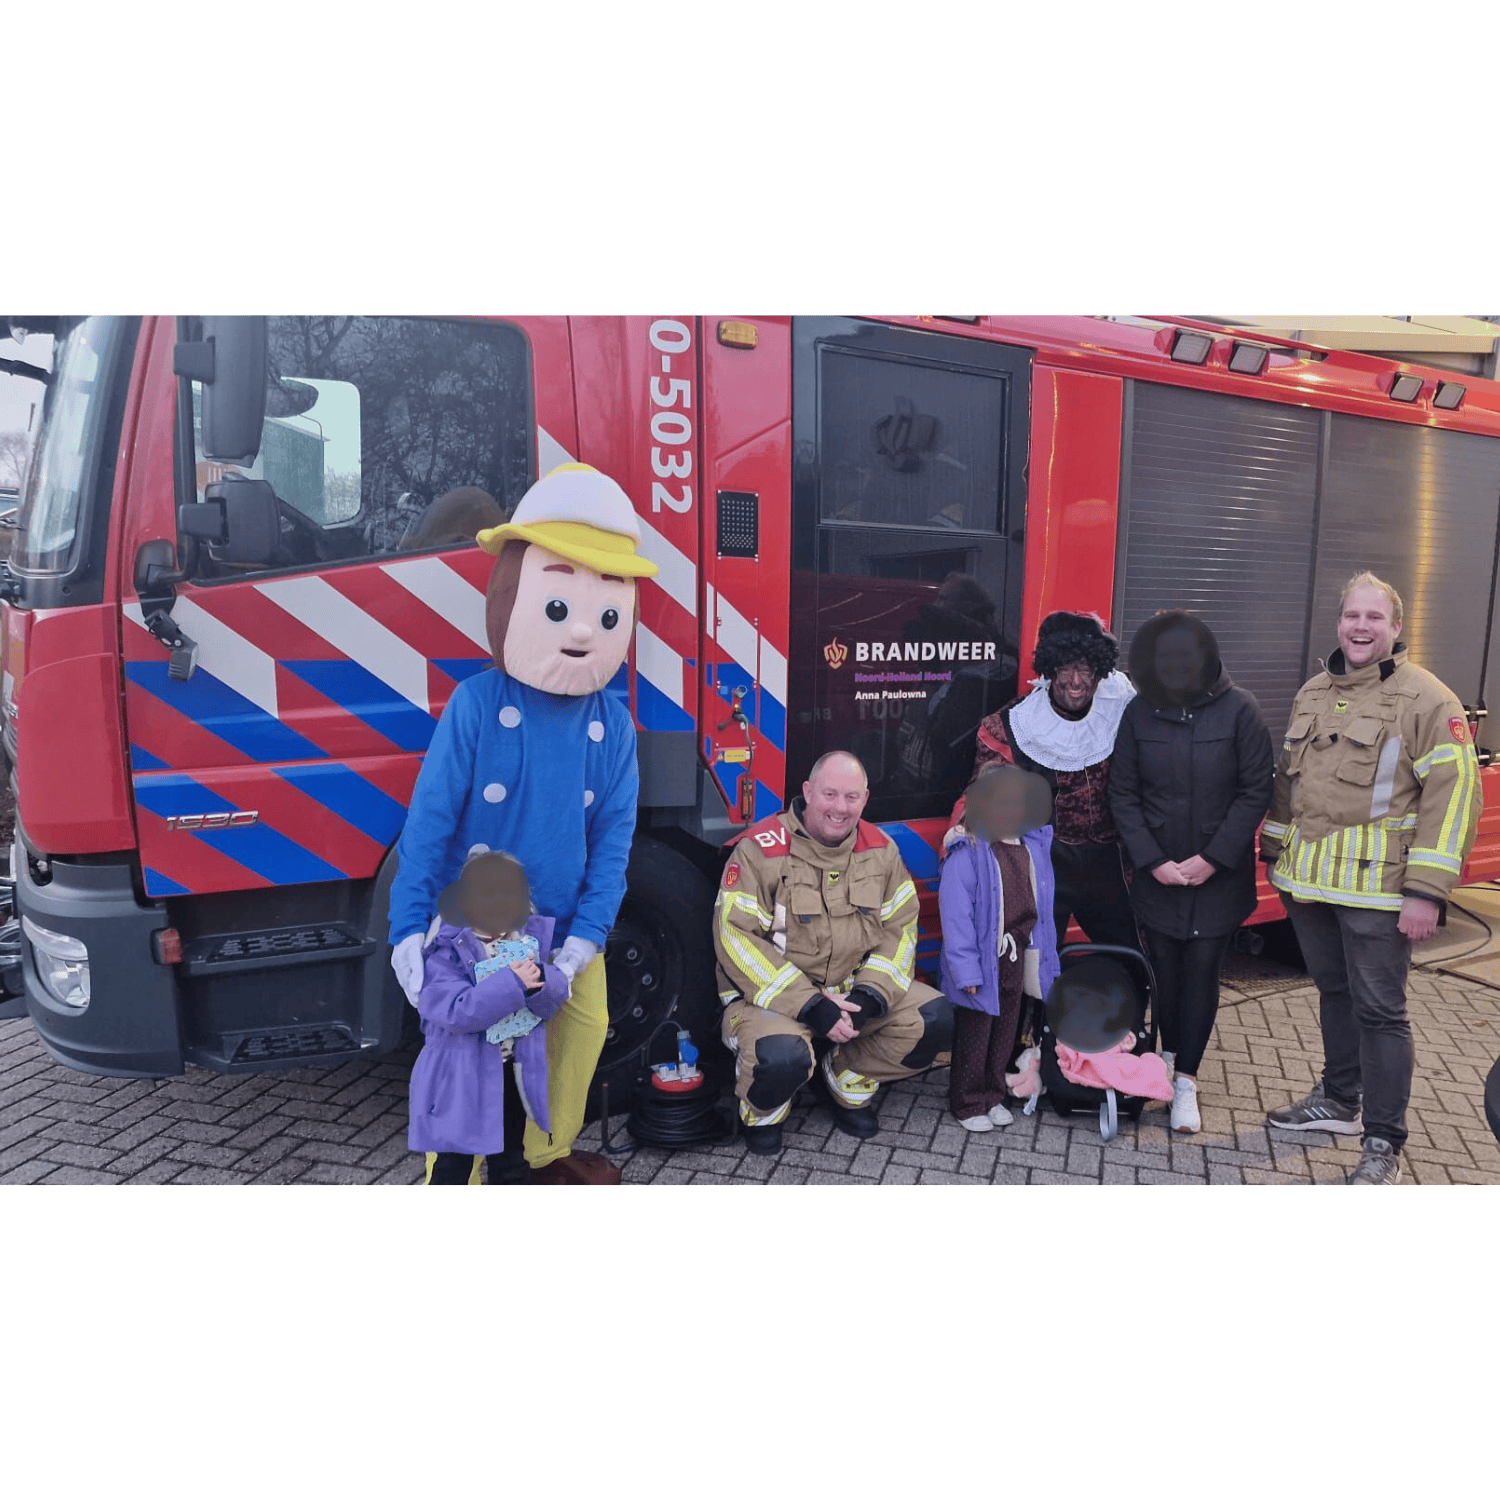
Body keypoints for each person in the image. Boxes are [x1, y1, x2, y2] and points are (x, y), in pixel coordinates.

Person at [388, 464, 659, 1186]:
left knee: (580, 1034)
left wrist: (584, 942)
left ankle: (541, 1158)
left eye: (607, 614)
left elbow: (613, 846)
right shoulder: (477, 704)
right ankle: (454, 1178)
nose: (584, 629)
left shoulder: (613, 725)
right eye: (559, 604)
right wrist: (408, 928)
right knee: (467, 1055)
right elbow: (429, 825)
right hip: (474, 930)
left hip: (562, 930)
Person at [1260, 572, 1481, 1185]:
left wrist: (1427, 892)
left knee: (1381, 1012)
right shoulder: (1313, 691)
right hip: (1309, 884)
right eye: (1352, 616)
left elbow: (1454, 798)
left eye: (1374, 618)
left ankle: (1383, 1142)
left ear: (1396, 627)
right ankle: (1338, 1100)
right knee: (1335, 994)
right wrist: (1274, 852)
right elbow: (1288, 783)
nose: (1361, 627)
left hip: (1380, 893)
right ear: (1339, 624)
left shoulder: (1429, 700)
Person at [714, 751, 955, 1154]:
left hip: (851, 993)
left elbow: (900, 929)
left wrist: (869, 997)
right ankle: (765, 1111)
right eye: (829, 794)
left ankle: (845, 1078)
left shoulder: (881, 849)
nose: (840, 808)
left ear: (865, 799)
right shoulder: (760, 850)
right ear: (808, 792)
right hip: (770, 1002)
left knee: (935, 1019)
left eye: (851, 797)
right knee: (780, 1058)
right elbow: (735, 938)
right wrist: (810, 1005)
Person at [1109, 612, 1274, 1134]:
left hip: (1217, 880)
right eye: (1166, 657)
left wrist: (1213, 858)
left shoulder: (1241, 710)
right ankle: (1162, 1062)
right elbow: (1122, 794)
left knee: (1201, 973)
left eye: (1185, 655)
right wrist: (1152, 860)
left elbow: (1256, 791)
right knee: (1164, 974)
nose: (1175, 664)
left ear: (1203, 657)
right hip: (1158, 878)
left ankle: (1186, 1081)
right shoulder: (1138, 714)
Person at [952, 610, 1139, 952]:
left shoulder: (1123, 714)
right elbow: (983, 799)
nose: (1076, 681)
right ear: (1050, 669)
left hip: (1112, 863)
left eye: (1086, 669)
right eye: (1065, 668)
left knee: (1132, 956)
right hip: (1046, 866)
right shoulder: (1011, 726)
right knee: (1035, 965)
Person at [410, 851, 570, 1185]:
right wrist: (513, 983)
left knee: (511, 1159)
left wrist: (541, 979)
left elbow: (551, 1001)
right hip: (460, 1076)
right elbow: (457, 1011)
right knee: (453, 1165)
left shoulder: (525, 942)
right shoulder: (446, 952)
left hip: (508, 1072)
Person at [938, 763, 1061, 1131]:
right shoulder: (968, 850)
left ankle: (993, 1096)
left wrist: (1044, 958)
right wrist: (966, 971)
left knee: (1005, 1031)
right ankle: (967, 1102)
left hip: (1016, 956)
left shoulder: (1031, 846)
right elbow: (956, 917)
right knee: (976, 1034)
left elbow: (1043, 909)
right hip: (981, 961)